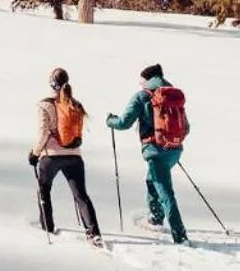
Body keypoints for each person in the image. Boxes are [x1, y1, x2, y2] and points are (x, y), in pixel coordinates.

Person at [106, 63, 189, 245]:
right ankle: (155, 218)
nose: (140, 84)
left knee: (165, 192)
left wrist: (110, 121)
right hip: (175, 150)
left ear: (148, 79)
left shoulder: (142, 96)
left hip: (155, 151)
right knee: (152, 180)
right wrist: (170, 139)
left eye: (142, 81)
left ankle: (180, 236)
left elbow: (124, 123)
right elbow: (186, 127)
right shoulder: (173, 96)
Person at [30, 67, 102, 245]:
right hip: (75, 157)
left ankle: (47, 228)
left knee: (44, 190)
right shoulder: (76, 104)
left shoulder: (44, 105)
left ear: (51, 83)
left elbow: (43, 133)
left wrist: (34, 153)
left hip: (51, 156)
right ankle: (94, 233)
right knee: (81, 195)